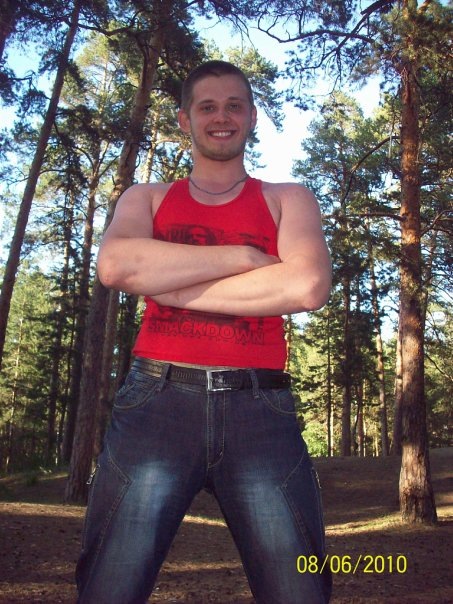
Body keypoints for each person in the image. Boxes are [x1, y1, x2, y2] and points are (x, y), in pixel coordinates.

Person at [76, 60, 332, 604]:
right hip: (156, 403)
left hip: (260, 410)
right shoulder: (146, 197)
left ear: (252, 117)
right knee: (109, 587)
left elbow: (307, 285)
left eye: (234, 106)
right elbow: (116, 266)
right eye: (207, 106)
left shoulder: (288, 198)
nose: (222, 117)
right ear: (184, 119)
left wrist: (170, 286)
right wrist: (244, 257)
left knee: (299, 589)